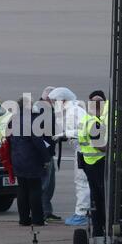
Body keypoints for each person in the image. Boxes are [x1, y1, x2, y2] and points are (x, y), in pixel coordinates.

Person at [48, 87, 91, 226]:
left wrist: (64, 134)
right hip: (82, 150)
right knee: (82, 182)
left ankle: (82, 213)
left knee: (82, 182)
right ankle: (84, 212)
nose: (54, 104)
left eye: (55, 101)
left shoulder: (74, 112)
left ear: (63, 100)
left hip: (84, 151)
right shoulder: (71, 111)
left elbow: (82, 131)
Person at [8, 96, 51, 226]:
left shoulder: (13, 120)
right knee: (35, 189)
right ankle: (38, 219)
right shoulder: (32, 121)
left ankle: (24, 219)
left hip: (17, 159)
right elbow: (38, 142)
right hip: (31, 159)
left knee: (22, 189)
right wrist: (46, 158)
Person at [78, 90, 107, 236]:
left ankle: (98, 229)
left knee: (95, 199)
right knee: (102, 198)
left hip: (89, 162)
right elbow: (99, 145)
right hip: (97, 163)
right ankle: (100, 228)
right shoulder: (94, 123)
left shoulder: (86, 119)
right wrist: (113, 147)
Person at [33, 86, 62, 222]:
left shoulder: (44, 109)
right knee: (44, 185)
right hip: (44, 154)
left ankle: (47, 211)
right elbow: (39, 135)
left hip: (47, 152)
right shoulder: (42, 110)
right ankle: (41, 212)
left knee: (49, 185)